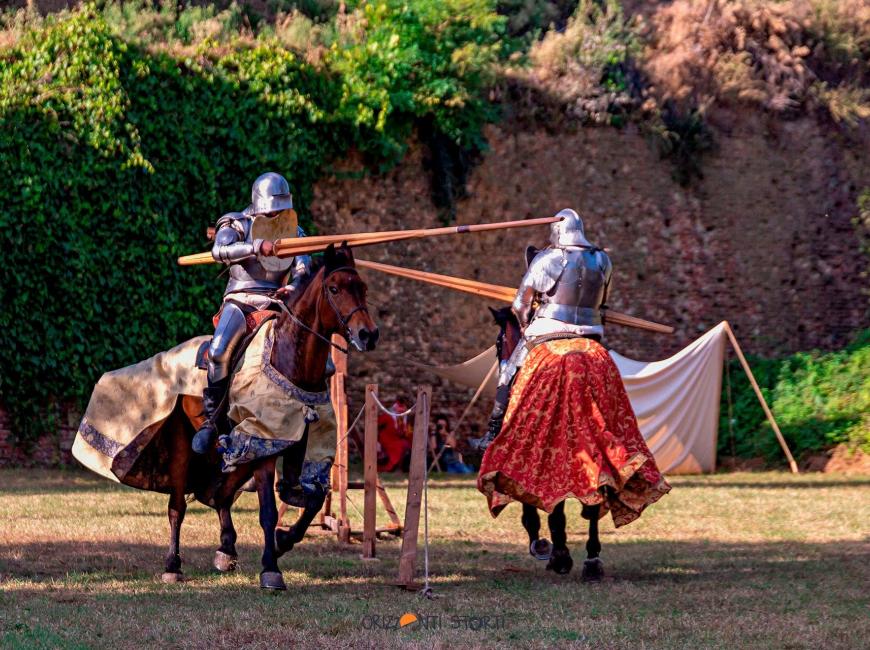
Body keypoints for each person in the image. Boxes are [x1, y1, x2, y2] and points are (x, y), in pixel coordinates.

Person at [192, 172, 313, 454]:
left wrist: (293, 288)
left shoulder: (294, 232)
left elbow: (303, 269)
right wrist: (256, 246)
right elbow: (220, 250)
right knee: (220, 350)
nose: (277, 214)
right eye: (273, 208)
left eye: (282, 208)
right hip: (242, 299)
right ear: (259, 203)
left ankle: (306, 416)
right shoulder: (237, 222)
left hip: (278, 302)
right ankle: (211, 421)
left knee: (315, 358)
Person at [474, 208, 612, 451]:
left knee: (508, 370)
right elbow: (604, 304)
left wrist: (526, 325)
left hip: (550, 325)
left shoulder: (548, 259)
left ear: (557, 230)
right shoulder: (602, 259)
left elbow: (519, 305)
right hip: (592, 330)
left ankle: (493, 433)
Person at [377, 399, 413, 472]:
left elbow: (407, 432)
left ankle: (401, 467)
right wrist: (376, 441)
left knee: (406, 444)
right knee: (400, 445)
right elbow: (375, 425)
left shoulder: (406, 419)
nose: (401, 410)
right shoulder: (387, 416)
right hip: (386, 439)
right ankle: (390, 467)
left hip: (397, 440)